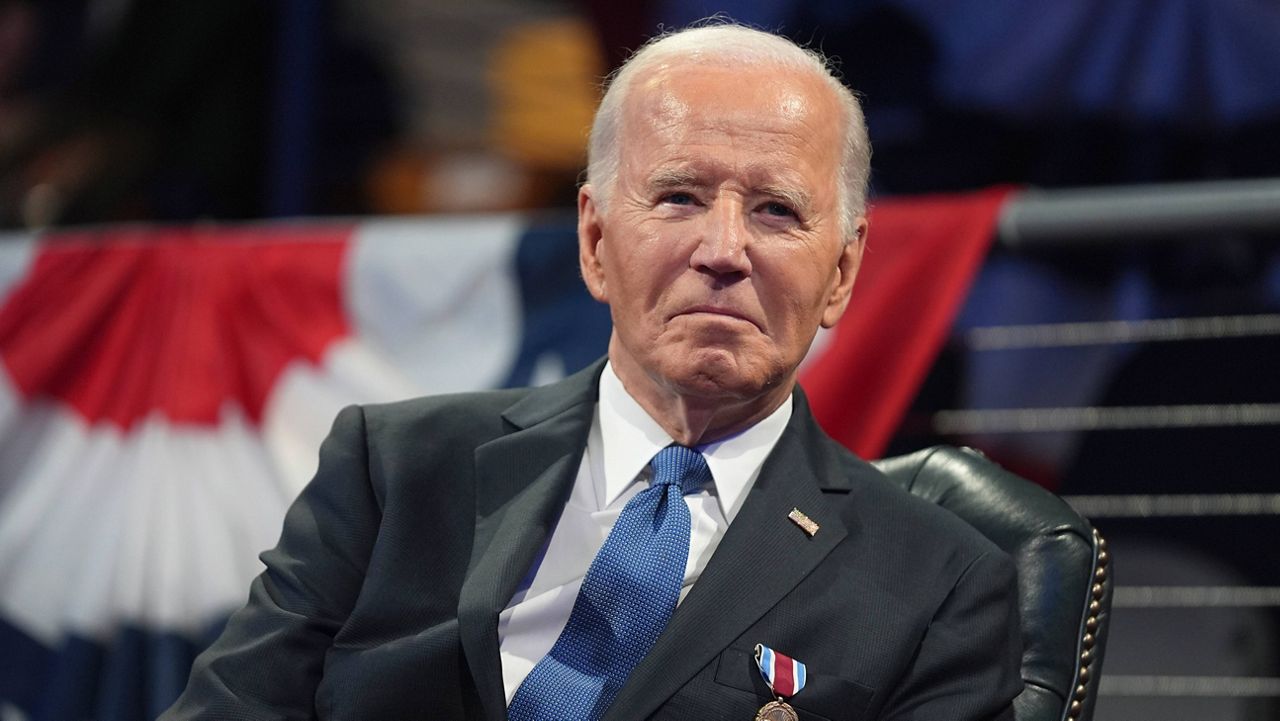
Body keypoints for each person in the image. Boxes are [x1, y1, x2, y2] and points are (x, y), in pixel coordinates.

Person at [162, 22, 1021, 721]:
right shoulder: (394, 468)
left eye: (776, 210)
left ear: (841, 273)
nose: (723, 251)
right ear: (596, 241)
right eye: (679, 197)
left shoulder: (939, 585)